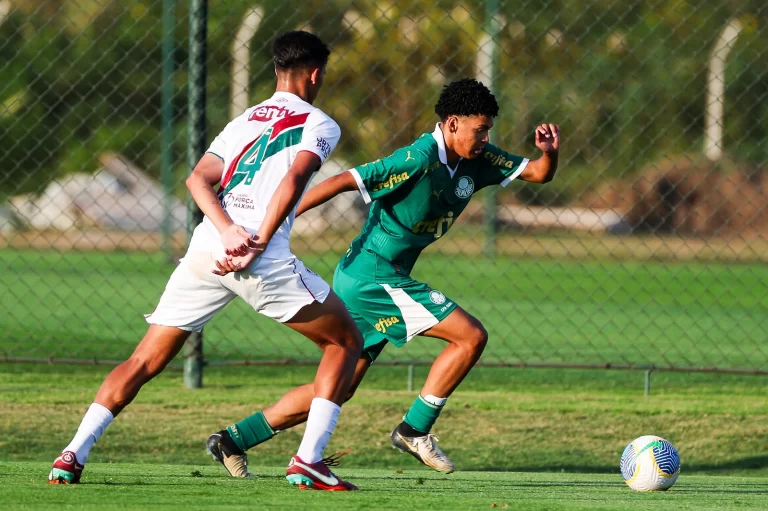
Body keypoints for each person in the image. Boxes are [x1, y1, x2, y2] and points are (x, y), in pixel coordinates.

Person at [48, 31, 362, 491]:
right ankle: (309, 460)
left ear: (276, 71)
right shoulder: (320, 123)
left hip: (207, 250)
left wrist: (226, 230)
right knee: (344, 343)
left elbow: (198, 180)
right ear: (316, 74)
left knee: (144, 359)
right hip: (260, 258)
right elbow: (294, 180)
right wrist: (254, 240)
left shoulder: (243, 120)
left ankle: (72, 454)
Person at [208, 78, 560, 475]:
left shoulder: (476, 159)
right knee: (470, 336)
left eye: (488, 130)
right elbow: (343, 181)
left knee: (338, 387)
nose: (484, 138)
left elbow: (538, 174)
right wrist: (271, 229)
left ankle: (233, 439)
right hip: (372, 276)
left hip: (371, 276)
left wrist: (548, 153)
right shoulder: (416, 158)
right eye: (479, 130)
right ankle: (414, 430)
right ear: (452, 123)